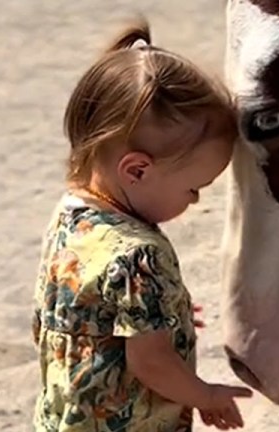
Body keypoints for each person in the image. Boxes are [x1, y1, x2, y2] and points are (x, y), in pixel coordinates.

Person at [30, 16, 252, 432]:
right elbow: (150, 363)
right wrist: (204, 395)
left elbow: (77, 303)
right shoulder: (138, 255)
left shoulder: (71, 216)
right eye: (194, 187)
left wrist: (164, 308)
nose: (196, 200)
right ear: (137, 171)